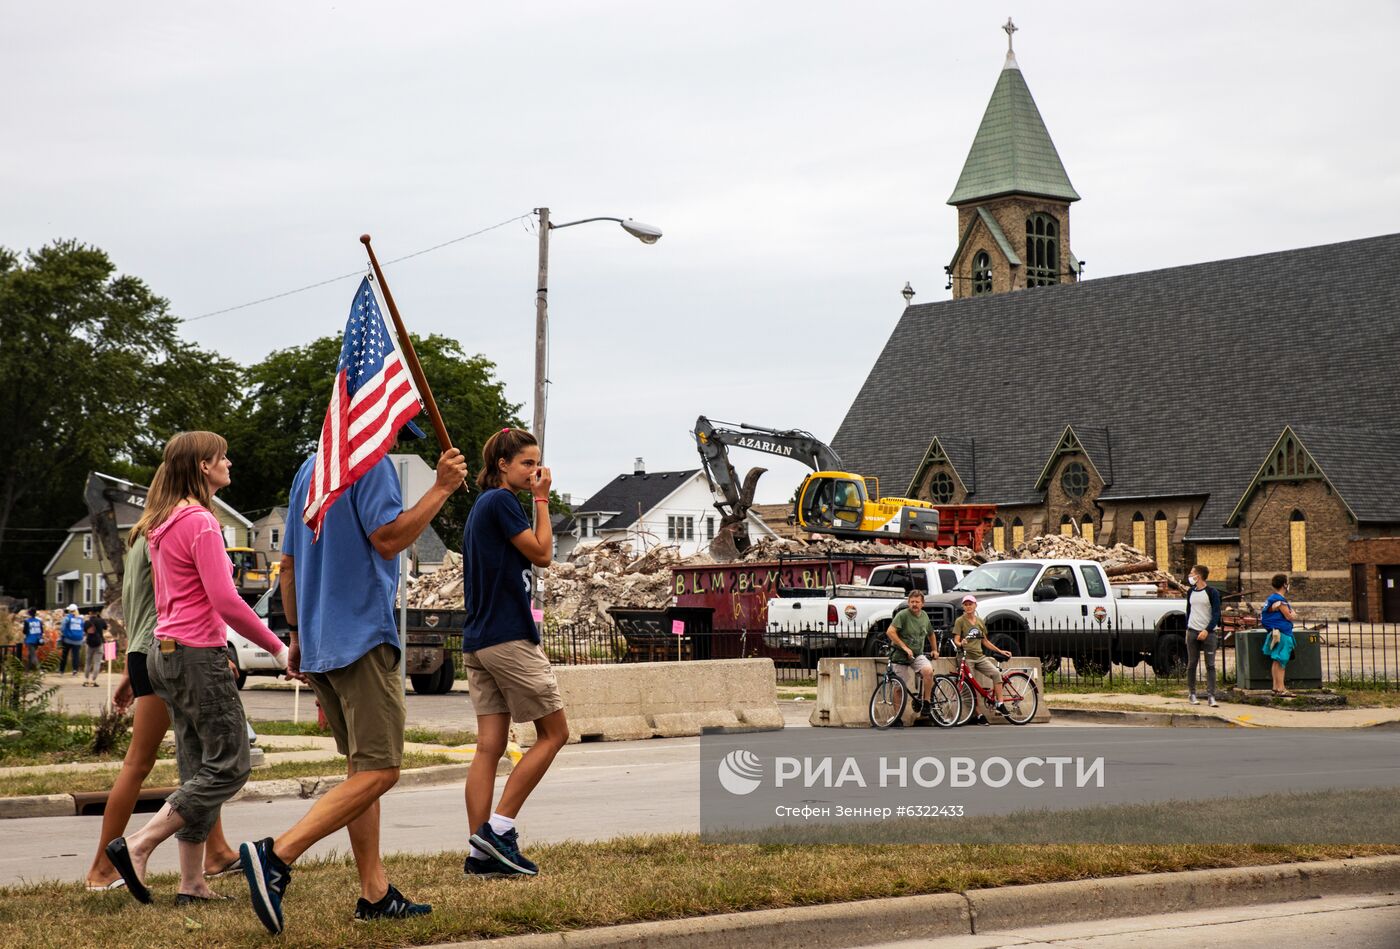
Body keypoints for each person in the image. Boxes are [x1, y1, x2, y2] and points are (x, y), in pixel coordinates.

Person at [238, 434, 466, 935]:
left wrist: (295, 634)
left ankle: (375, 892)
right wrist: (441, 489)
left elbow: (289, 564)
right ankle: (276, 856)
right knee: (382, 770)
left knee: (360, 771)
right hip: (362, 636)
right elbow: (388, 537)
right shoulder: (372, 464)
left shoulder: (310, 470)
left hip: (319, 638)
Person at [104, 431, 288, 906]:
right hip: (198, 655)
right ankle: (141, 844)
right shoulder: (202, 522)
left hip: (164, 655)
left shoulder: (161, 523)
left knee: (196, 770)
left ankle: (192, 883)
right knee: (230, 765)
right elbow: (226, 601)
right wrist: (278, 648)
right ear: (203, 467)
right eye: (222, 456)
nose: (229, 462)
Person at [84, 534, 242, 891]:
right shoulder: (170, 533)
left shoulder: (142, 537)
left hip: (145, 652)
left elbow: (135, 605)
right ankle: (102, 868)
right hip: (169, 650)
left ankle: (216, 851)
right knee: (141, 761)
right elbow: (175, 601)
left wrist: (130, 667)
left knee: (199, 758)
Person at [460, 428, 569, 879]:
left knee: (489, 747)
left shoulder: (481, 507)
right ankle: (499, 830)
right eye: (527, 463)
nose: (535, 471)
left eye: (537, 463)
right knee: (554, 734)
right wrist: (541, 500)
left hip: (478, 641)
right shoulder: (502, 501)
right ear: (502, 465)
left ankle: (481, 854)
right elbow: (542, 554)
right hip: (507, 637)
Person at [952, 594, 1013, 719]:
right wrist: (961, 643)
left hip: (979, 656)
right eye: (966, 604)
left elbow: (985, 641)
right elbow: (956, 640)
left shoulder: (980, 621)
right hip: (966, 657)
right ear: (963, 607)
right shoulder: (960, 621)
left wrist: (1000, 651)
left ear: (975, 605)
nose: (968, 607)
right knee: (972, 686)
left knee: (996, 674)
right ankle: (978, 714)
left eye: (971, 604)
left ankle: (1000, 703)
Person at [885, 589, 937, 721]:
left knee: (928, 671)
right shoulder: (902, 615)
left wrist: (935, 650)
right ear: (908, 603)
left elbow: (931, 634)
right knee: (899, 687)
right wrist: (904, 647)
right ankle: (897, 717)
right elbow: (890, 632)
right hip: (900, 656)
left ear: (922, 604)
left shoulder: (924, 616)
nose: (914, 604)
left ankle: (926, 702)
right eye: (912, 601)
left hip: (917, 655)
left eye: (917, 602)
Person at [1183, 565, 1223, 707]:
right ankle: (1192, 693)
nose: (1190, 575)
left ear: (1198, 576)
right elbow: (1189, 610)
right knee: (1192, 663)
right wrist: (1188, 627)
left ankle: (1211, 695)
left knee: (1210, 664)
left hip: (1208, 633)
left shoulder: (1212, 592)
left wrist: (1207, 629)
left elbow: (1216, 613)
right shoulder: (1190, 592)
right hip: (1192, 631)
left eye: (1192, 573)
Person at [1261, 573, 1299, 698]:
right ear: (1284, 584)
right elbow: (1289, 616)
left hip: (1275, 632)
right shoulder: (1280, 600)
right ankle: (1281, 688)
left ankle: (1275, 687)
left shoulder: (1271, 599)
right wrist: (1293, 614)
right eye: (1287, 582)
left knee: (1276, 660)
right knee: (1282, 661)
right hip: (1283, 633)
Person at [82, 608, 108, 687]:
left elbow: (84, 631)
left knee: (88, 662)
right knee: (97, 663)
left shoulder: (87, 622)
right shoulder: (100, 620)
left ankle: (86, 680)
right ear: (97, 613)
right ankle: (93, 681)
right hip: (99, 643)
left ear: (90, 612)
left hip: (89, 643)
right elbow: (105, 627)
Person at [59, 604, 85, 676]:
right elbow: (83, 628)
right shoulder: (80, 618)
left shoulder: (67, 618)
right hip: (78, 640)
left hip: (68, 639)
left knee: (64, 655)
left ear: (69, 610)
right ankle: (75, 671)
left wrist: (63, 633)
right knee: (76, 656)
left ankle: (61, 671)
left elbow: (62, 627)